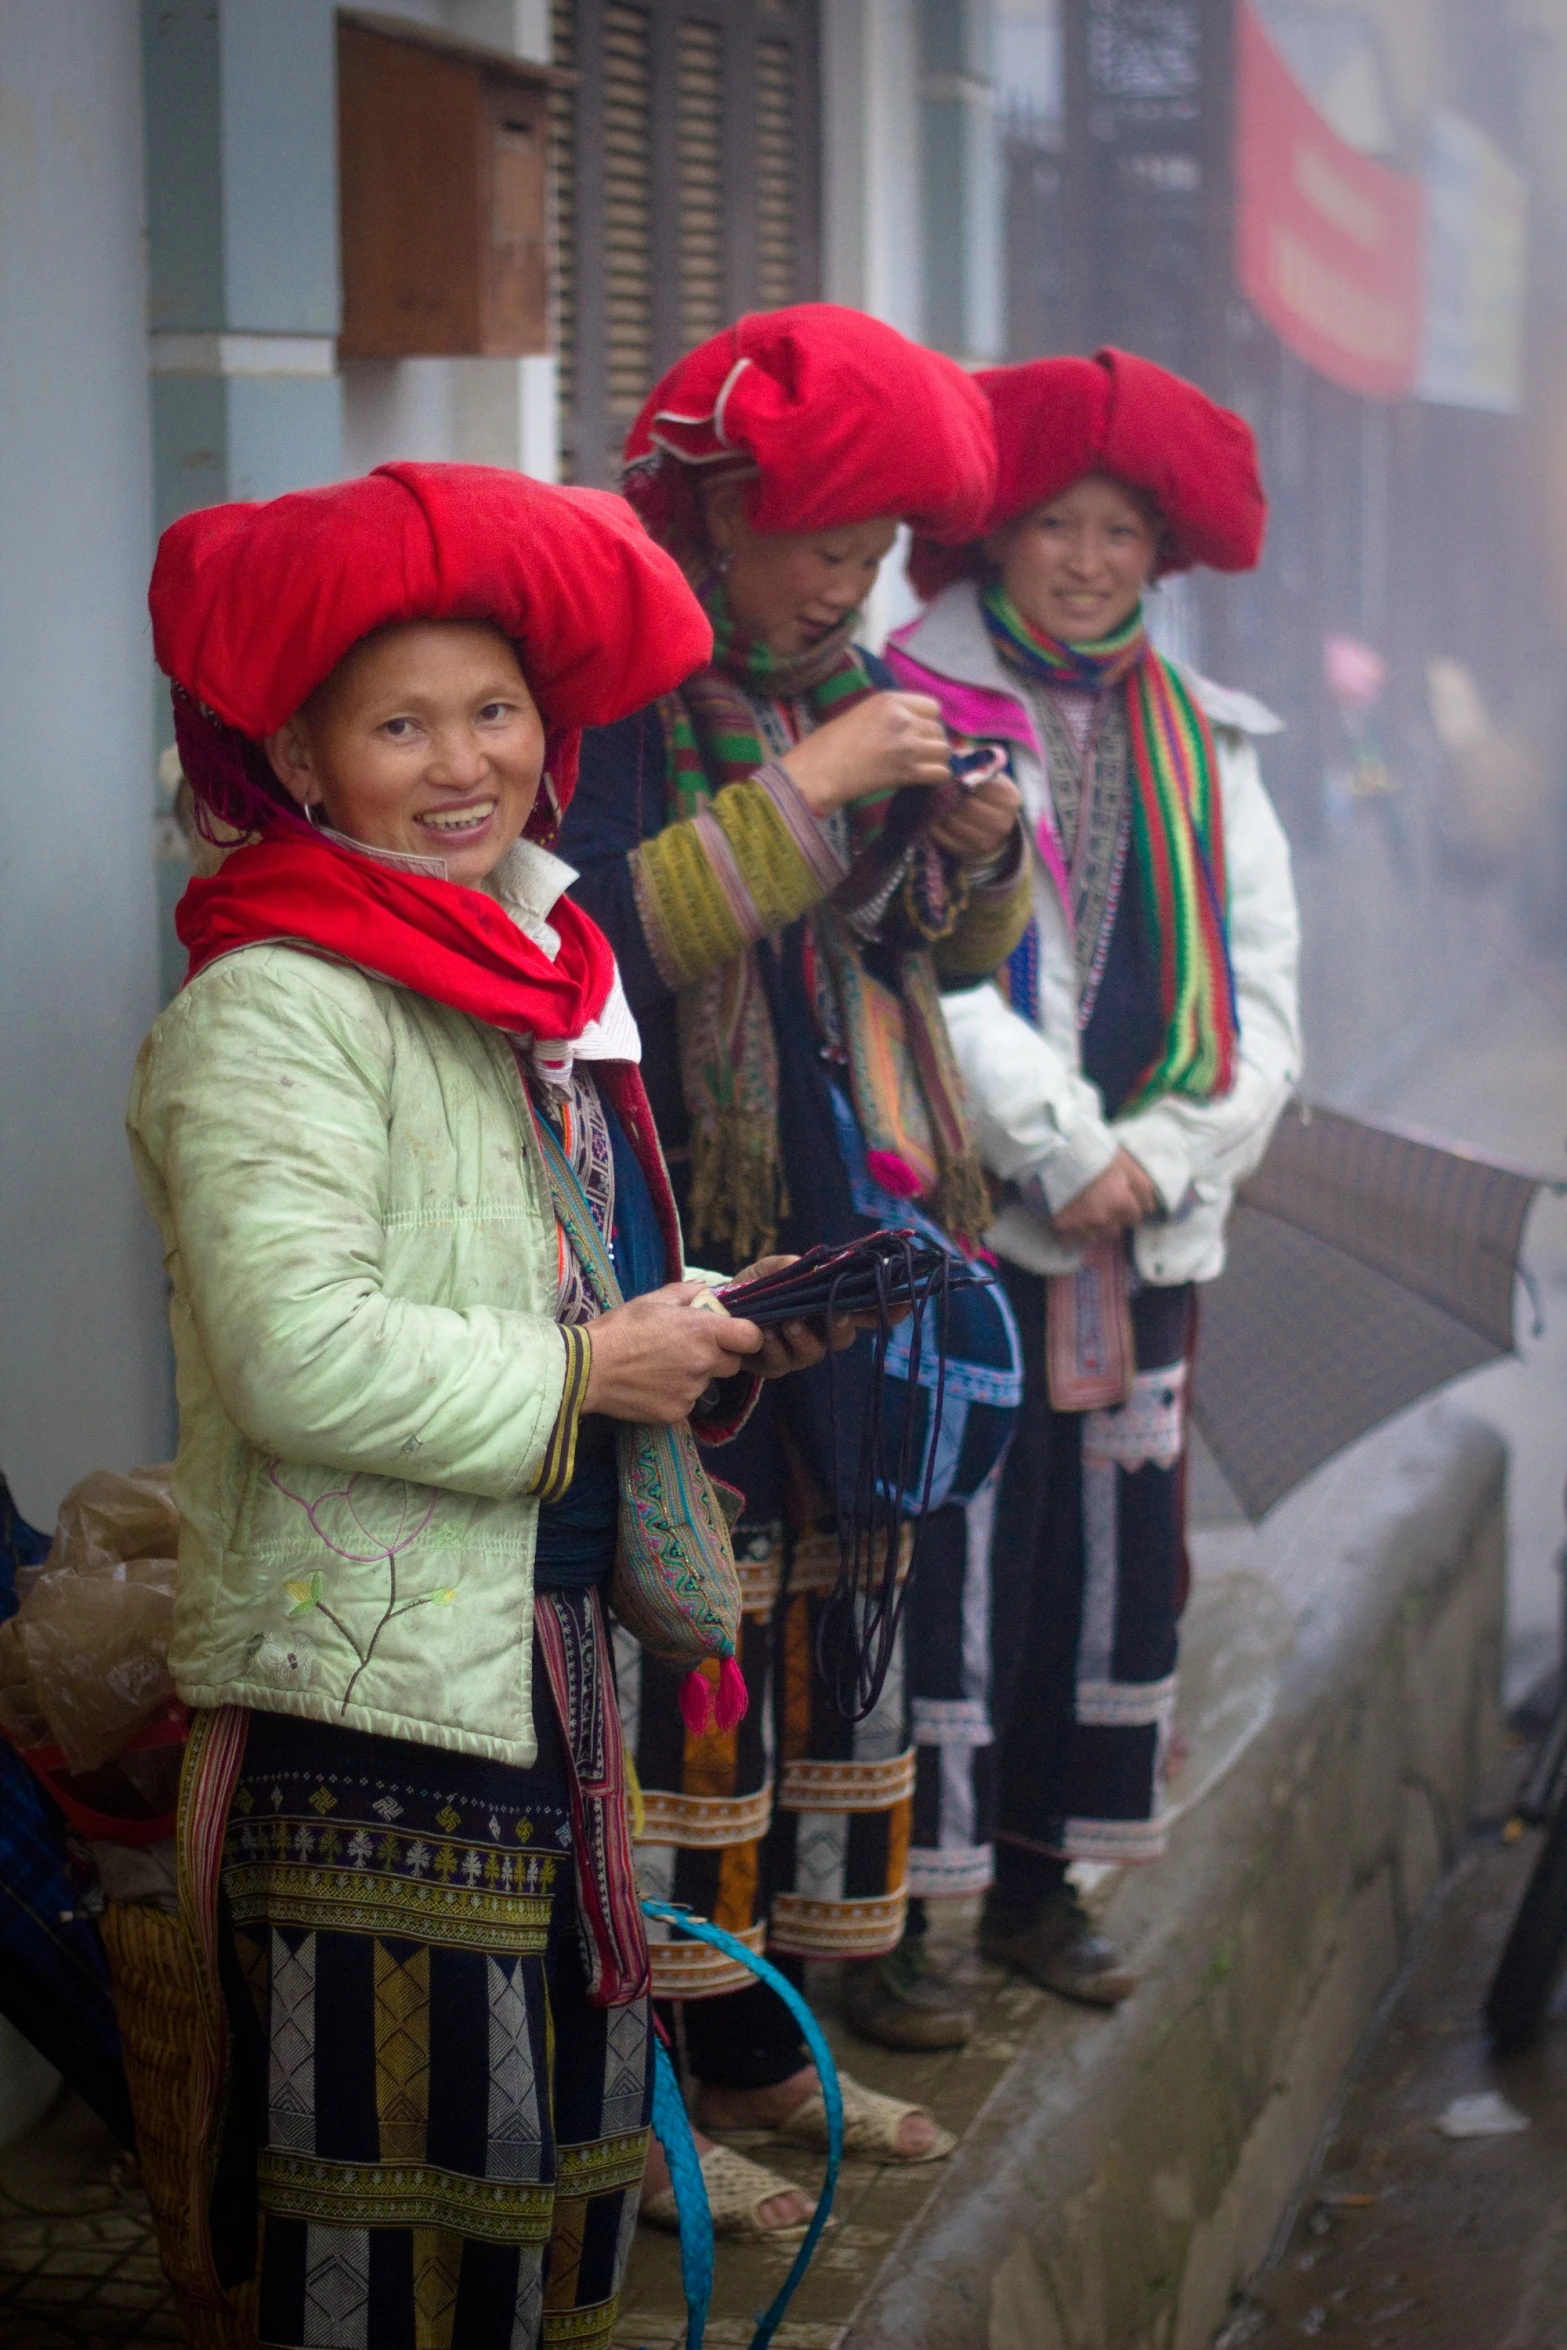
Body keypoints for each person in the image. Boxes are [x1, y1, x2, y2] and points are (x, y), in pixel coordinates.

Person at [127, 462, 845, 2350]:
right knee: (393, 2188)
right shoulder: (274, 1005)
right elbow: (296, 1352)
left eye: (497, 710)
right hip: (370, 1696)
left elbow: (525, 1275)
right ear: (299, 754)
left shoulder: (531, 974)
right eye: (399, 723)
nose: (465, 764)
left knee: (538, 2153)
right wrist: (582, 1372)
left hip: (540, 1653)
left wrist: (673, 1324)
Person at [559, 304, 1029, 2233]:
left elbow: (945, 963)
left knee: (819, 1634)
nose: (852, 585)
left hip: (844, 1239)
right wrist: (816, 779)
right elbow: (593, 948)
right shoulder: (614, 688)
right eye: (820, 543)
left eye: (877, 553)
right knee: (689, 1652)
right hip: (677, 1242)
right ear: (712, 506)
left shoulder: (862, 682)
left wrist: (970, 849)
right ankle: (658, 2073)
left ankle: (770, 2032)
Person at [887, 349, 1301, 2004]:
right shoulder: (908, 705)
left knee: (1107, 1554)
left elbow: (1265, 1003)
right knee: (949, 1559)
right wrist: (1057, 1144)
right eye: (1051, 519)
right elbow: (919, 962)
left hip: (1146, 1229)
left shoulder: (1212, 737)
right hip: (970, 1215)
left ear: (1163, 549)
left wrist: (1159, 1156)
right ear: (992, 534)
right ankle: (906, 1908)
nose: (1083, 556)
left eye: (1118, 527)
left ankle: (1038, 1893)